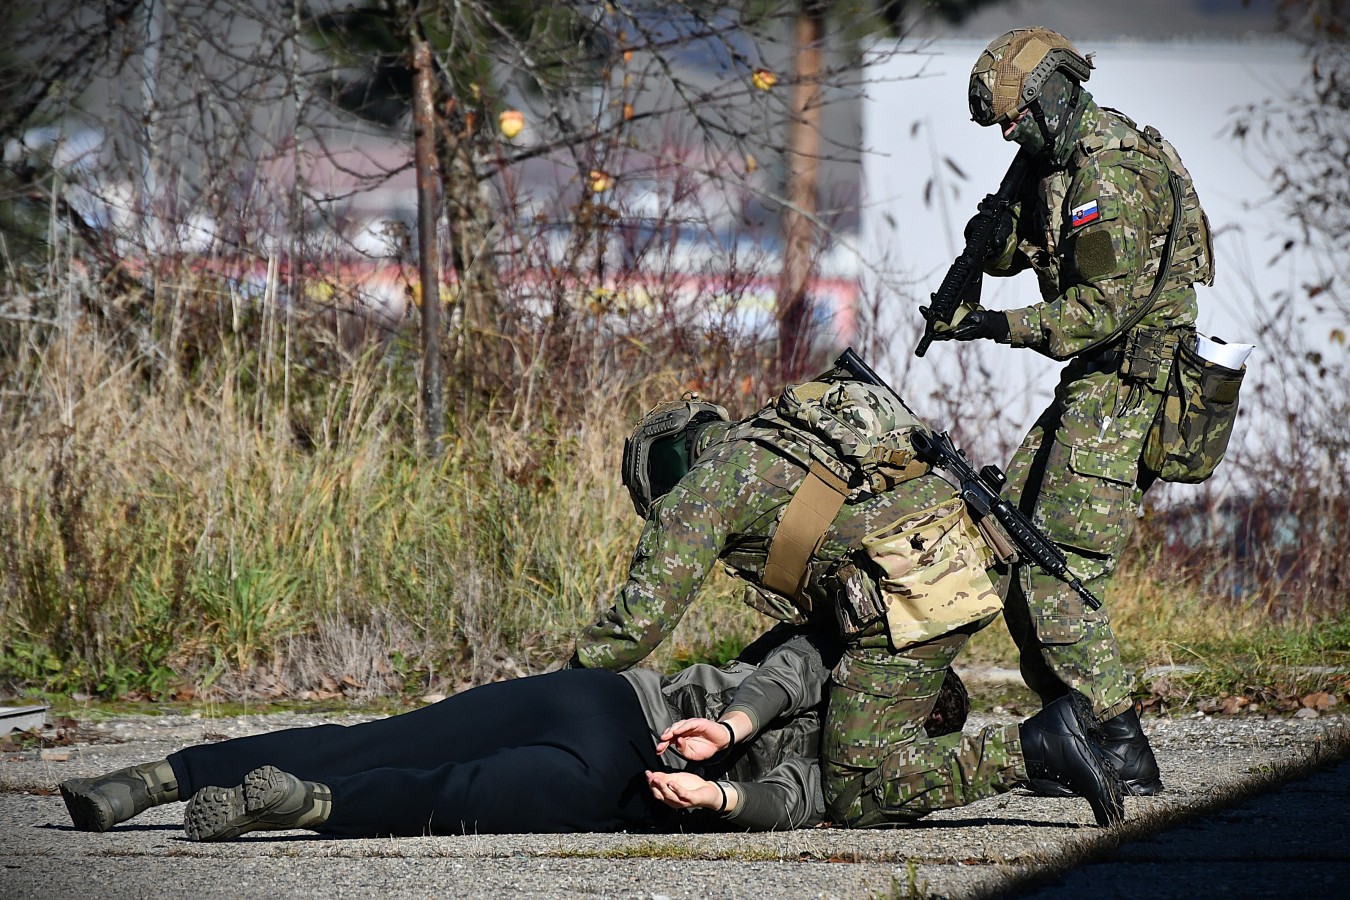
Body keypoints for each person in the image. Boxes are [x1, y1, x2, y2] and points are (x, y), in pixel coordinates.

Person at [567, 359, 1124, 827]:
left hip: (908, 596)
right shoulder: (787, 436)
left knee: (855, 791)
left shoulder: (705, 489)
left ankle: (1036, 747)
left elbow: (638, 621)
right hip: (968, 557)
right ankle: (1113, 742)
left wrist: (567, 686)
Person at [927, 27, 1216, 796]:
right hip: (1095, 382)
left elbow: (1103, 309)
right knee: (1007, 536)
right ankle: (1076, 732)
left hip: (1128, 384)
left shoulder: (1109, 172)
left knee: (1055, 569)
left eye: (1015, 118)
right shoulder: (1055, 165)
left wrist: (997, 324)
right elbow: (1032, 249)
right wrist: (992, 242)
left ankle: (1120, 744)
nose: (1008, 135)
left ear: (1053, 93)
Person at [59, 626, 838, 839]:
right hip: (613, 725)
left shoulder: (872, 750)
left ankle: (206, 788)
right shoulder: (859, 667)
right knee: (426, 770)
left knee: (433, 773)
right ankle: (190, 784)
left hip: (623, 749)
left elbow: (796, 788)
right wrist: (727, 753)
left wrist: (720, 794)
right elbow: (791, 676)